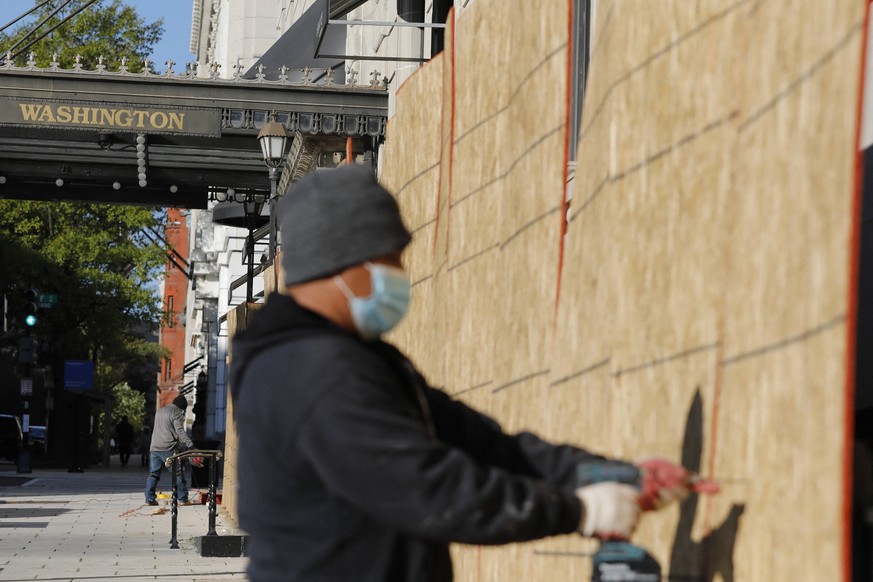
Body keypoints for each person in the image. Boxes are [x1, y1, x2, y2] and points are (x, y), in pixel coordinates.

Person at [230, 165, 704, 581]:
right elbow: (430, 490)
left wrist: (614, 475)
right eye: (391, 259)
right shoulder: (315, 373)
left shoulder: (358, 361)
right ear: (346, 263)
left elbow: (487, 446)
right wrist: (581, 509)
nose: (400, 272)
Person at [144, 395, 199, 506]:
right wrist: (191, 446)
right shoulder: (177, 413)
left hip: (154, 447)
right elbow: (180, 431)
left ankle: (149, 499)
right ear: (182, 408)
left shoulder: (160, 411)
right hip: (168, 448)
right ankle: (183, 498)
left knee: (153, 474)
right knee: (177, 473)